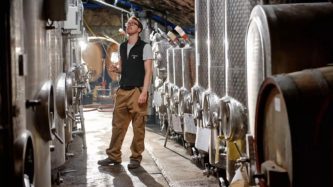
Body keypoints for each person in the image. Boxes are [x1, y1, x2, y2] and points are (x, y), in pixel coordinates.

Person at [97, 16, 153, 169]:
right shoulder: (122, 47)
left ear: (139, 29)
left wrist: (144, 92)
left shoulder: (145, 47)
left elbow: (149, 72)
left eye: (133, 24)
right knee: (117, 125)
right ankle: (113, 155)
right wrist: (117, 69)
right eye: (128, 24)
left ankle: (136, 157)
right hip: (123, 90)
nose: (129, 25)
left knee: (138, 127)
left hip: (137, 90)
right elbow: (123, 68)